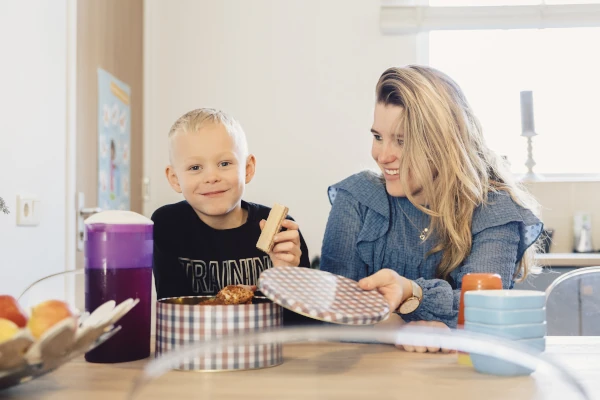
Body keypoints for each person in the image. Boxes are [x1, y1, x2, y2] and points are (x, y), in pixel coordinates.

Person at [321, 65, 543, 351]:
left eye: (402, 141)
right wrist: (398, 329)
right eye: (378, 137)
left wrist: (412, 293)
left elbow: (483, 311)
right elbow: (334, 313)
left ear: (443, 145)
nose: (382, 156)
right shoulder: (357, 198)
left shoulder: (494, 209)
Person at [151, 108, 311, 324]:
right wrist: (228, 301)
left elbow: (304, 326)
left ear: (248, 168)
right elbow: (176, 316)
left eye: (224, 164)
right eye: (195, 167)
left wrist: (287, 277)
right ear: (174, 178)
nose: (211, 177)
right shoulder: (167, 226)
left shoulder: (282, 230)